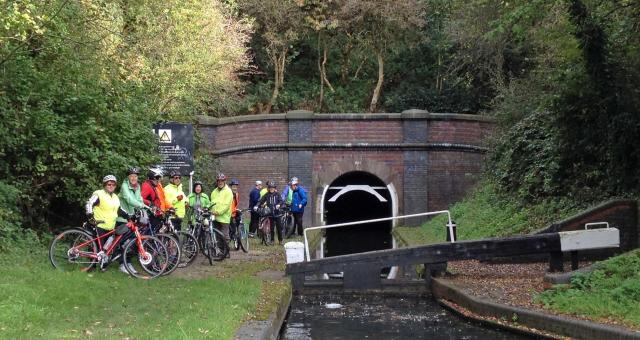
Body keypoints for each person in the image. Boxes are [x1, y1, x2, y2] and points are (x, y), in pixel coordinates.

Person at [85, 175, 134, 274]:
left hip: (111, 226)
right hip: (99, 225)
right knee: (96, 248)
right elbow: (89, 204)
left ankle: (103, 266)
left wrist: (129, 217)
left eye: (113, 184)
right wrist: (90, 217)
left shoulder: (115, 197)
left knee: (106, 249)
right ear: (104, 185)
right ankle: (92, 267)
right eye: (109, 184)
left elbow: (119, 210)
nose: (111, 186)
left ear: (116, 186)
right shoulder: (99, 194)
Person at [254, 180, 284, 245]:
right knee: (271, 228)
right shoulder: (266, 195)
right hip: (270, 213)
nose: (271, 189)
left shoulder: (277, 194)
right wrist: (256, 206)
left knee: (279, 227)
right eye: (270, 188)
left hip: (277, 213)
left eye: (273, 188)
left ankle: (280, 240)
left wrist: (279, 205)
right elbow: (260, 201)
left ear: (275, 188)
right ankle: (272, 240)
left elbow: (281, 201)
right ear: (268, 188)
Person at [210, 173, 233, 241]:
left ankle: (225, 251)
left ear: (224, 181)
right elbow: (212, 203)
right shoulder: (214, 191)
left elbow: (226, 205)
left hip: (224, 218)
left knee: (224, 237)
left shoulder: (228, 191)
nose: (220, 182)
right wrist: (207, 208)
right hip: (215, 218)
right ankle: (219, 250)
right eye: (219, 181)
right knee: (216, 237)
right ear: (217, 182)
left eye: (222, 181)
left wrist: (218, 212)